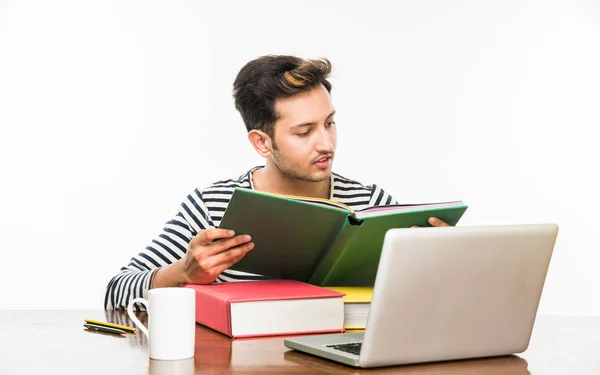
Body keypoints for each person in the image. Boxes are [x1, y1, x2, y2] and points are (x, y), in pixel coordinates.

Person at [104, 55, 449, 310]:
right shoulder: (213, 206)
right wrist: (184, 271)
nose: (326, 144)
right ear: (261, 143)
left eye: (329, 123)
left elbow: (418, 303)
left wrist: (431, 263)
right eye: (304, 132)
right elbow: (115, 292)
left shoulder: (371, 202)